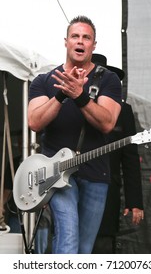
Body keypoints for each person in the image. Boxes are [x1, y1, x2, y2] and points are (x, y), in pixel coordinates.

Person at [28, 15, 122, 254]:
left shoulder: (109, 80)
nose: (80, 41)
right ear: (66, 42)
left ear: (93, 45)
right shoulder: (44, 81)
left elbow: (107, 123)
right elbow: (34, 122)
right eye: (75, 36)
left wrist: (80, 95)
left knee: (83, 250)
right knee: (68, 239)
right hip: (57, 174)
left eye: (86, 37)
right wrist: (61, 95)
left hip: (95, 173)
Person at [91, 54, 144, 253]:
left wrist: (134, 201)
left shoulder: (123, 111)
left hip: (106, 191)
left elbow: (130, 158)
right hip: (72, 187)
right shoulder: (71, 105)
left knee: (102, 246)